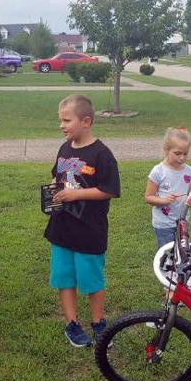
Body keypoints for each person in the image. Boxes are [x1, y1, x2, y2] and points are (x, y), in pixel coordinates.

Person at [44, 94, 120, 347]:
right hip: (62, 228)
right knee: (64, 277)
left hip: (90, 230)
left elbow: (108, 189)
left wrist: (76, 194)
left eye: (67, 120)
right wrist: (54, 187)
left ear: (86, 121)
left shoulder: (102, 154)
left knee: (91, 280)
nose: (62, 125)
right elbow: (58, 175)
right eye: (60, 120)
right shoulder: (65, 147)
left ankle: (98, 323)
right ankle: (72, 324)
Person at [144, 127, 191, 248]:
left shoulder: (189, 171)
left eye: (185, 154)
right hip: (164, 224)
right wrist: (164, 200)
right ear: (166, 150)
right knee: (168, 253)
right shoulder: (158, 171)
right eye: (177, 153)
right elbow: (148, 197)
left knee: (182, 252)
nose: (182, 158)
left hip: (183, 221)